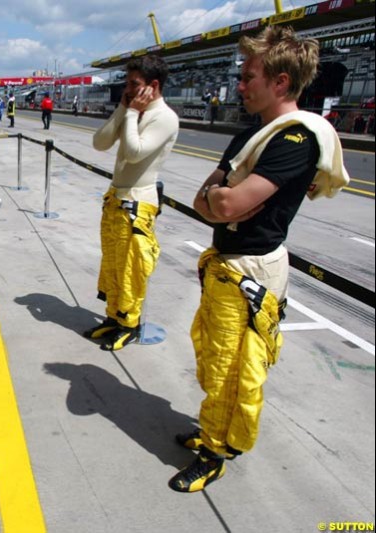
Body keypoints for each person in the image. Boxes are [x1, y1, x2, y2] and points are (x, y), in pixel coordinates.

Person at [169, 25, 349, 493]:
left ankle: (217, 451)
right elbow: (203, 200)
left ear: (281, 82)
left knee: (236, 370)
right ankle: (213, 429)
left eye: (249, 77)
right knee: (213, 359)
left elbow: (223, 205)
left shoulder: (295, 140)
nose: (240, 85)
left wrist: (223, 198)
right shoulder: (253, 135)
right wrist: (223, 197)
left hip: (252, 270)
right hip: (226, 263)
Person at [85, 55, 179, 351]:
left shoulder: (164, 117)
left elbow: (133, 151)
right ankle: (114, 316)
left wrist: (131, 114)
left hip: (138, 203)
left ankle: (130, 322)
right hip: (117, 198)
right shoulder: (131, 109)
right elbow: (100, 143)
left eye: (133, 84)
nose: (127, 88)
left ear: (152, 85)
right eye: (127, 82)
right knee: (112, 264)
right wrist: (124, 108)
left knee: (131, 269)